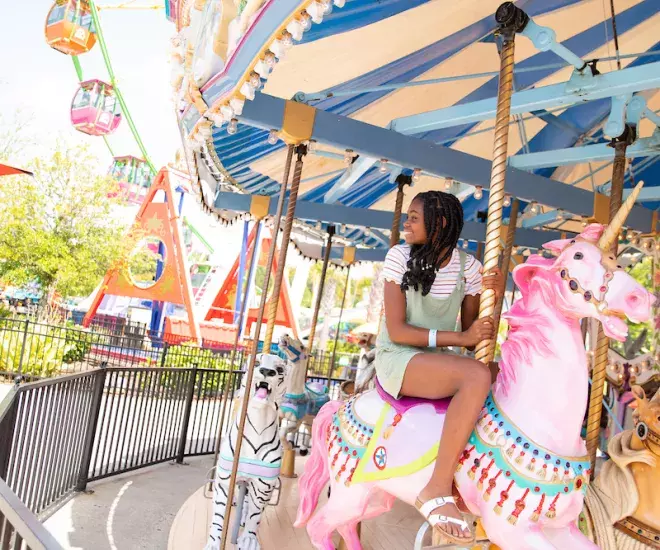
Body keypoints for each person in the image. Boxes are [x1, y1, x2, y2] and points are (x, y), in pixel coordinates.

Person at [375, 190, 502, 544]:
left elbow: (476, 334)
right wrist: (461, 340)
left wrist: (498, 292)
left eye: (415, 217)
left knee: (496, 373)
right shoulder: (399, 257)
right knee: (475, 374)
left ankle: (484, 473)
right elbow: (398, 330)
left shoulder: (469, 268)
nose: (407, 223)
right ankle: (436, 485)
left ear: (440, 223)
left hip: (440, 358)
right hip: (398, 356)